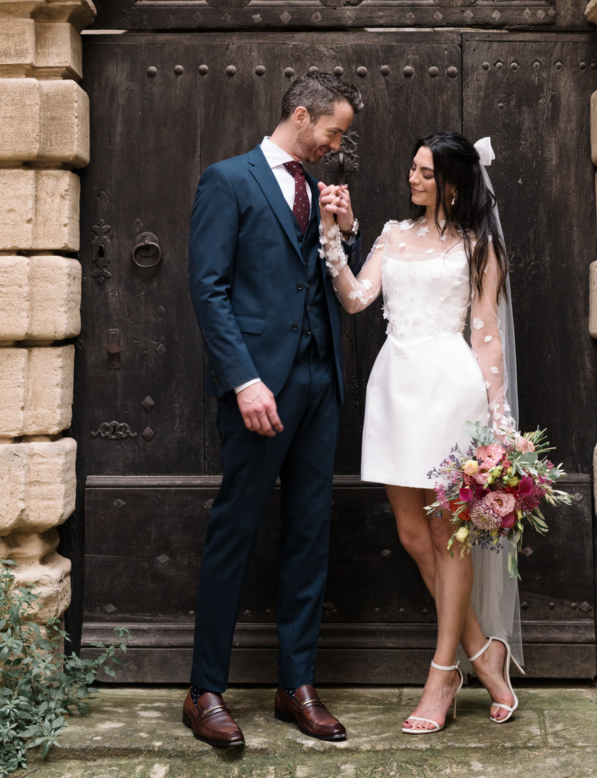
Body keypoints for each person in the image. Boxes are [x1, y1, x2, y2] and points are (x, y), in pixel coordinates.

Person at [184, 70, 364, 751]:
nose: (335, 144)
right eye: (333, 130)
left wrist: (341, 229)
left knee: (309, 533)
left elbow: (320, 275)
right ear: (300, 114)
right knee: (236, 530)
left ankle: (297, 685)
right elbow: (208, 287)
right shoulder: (226, 179)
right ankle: (204, 690)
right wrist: (243, 381)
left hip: (321, 383)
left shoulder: (319, 191)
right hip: (260, 389)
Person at [319, 131, 522, 733]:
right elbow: (356, 299)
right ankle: (484, 653)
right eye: (412, 169)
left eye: (427, 173)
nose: (413, 180)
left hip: (449, 390)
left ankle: (441, 674)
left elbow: (484, 330)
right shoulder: (391, 233)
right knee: (412, 534)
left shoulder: (478, 245)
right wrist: (336, 232)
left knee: (447, 537)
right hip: (395, 389)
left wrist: (499, 419)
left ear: (454, 183)